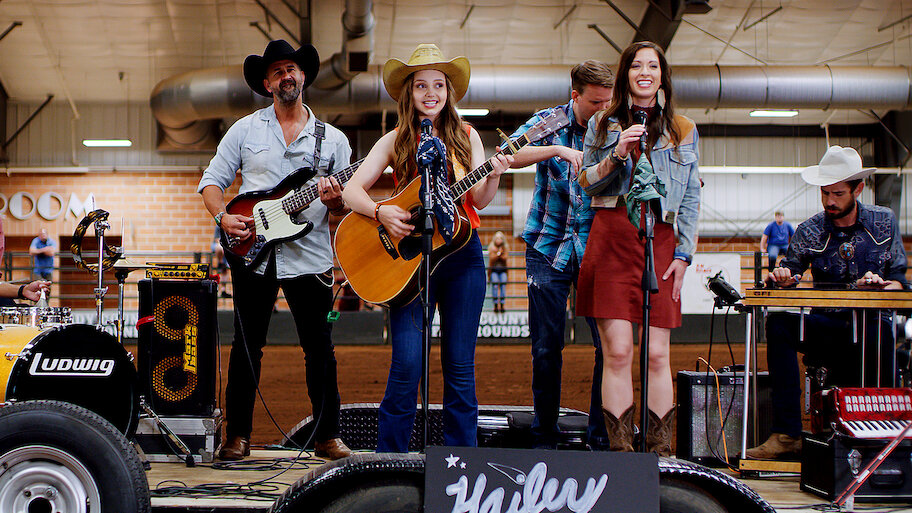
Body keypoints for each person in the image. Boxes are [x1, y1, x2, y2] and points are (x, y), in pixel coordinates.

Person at [342, 43, 512, 452]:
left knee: (459, 366)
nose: (431, 93)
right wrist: (381, 211)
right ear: (409, 92)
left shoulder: (467, 135)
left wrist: (494, 174)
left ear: (449, 91)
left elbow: (479, 199)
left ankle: (461, 462)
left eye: (439, 84)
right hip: (409, 262)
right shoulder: (395, 139)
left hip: (462, 258)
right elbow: (350, 191)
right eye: (421, 85)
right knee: (406, 363)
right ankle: (389, 461)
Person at [198, 39, 352, 461]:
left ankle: (327, 436)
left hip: (310, 256)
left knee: (319, 348)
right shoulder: (244, 130)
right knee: (246, 345)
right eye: (278, 71)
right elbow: (212, 181)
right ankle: (237, 436)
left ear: (303, 77)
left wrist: (335, 201)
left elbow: (344, 203)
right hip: (253, 252)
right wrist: (222, 217)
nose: (286, 76)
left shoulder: (333, 140)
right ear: (267, 83)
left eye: (292, 69)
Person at [577, 41, 701, 454]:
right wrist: (617, 154)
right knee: (617, 351)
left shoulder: (683, 129)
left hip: (660, 239)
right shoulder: (602, 123)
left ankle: (659, 451)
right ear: (625, 74)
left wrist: (683, 254)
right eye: (636, 65)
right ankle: (620, 453)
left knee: (657, 353)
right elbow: (586, 182)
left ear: (662, 76)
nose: (644, 72)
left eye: (653, 66)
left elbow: (690, 198)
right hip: (612, 235)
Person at [746, 145, 908, 460]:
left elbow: (899, 278)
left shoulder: (884, 221)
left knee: (879, 329)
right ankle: (787, 434)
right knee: (778, 323)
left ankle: (883, 433)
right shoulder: (809, 230)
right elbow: (790, 270)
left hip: (873, 326)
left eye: (838, 193)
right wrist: (782, 276)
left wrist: (881, 285)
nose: (830, 201)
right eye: (825, 193)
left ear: (858, 189)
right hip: (827, 328)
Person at [504, 60, 614, 450]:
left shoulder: (616, 127)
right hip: (547, 246)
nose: (603, 109)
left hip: (599, 250)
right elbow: (506, 155)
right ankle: (544, 437)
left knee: (609, 348)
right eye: (596, 102)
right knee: (546, 348)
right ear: (575, 96)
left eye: (608, 101)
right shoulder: (548, 121)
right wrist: (558, 149)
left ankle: (602, 438)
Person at [487, 231, 509, 314]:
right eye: (497, 238)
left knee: (503, 286)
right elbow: (492, 258)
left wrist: (499, 254)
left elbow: (505, 258)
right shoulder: (492, 247)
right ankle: (495, 304)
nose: (499, 240)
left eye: (500, 238)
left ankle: (502, 304)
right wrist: (498, 254)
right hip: (494, 270)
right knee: (495, 286)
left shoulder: (505, 248)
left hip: (503, 270)